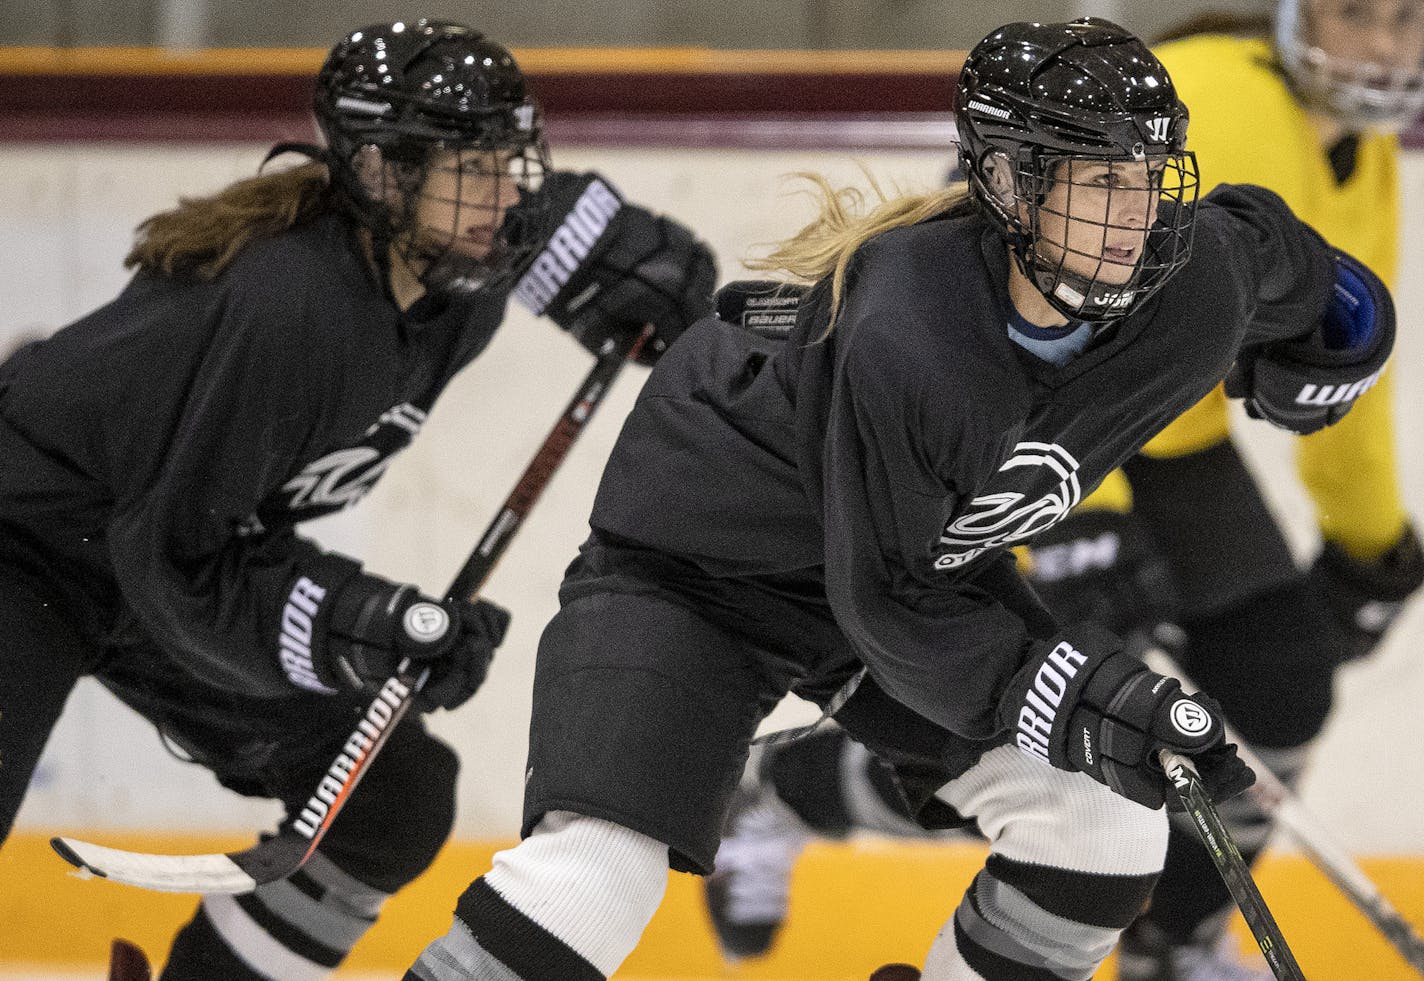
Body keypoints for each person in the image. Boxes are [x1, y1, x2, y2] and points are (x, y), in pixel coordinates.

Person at [403, 18, 1395, 981]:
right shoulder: (911, 334)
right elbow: (895, 602)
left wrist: (1344, 333)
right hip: (698, 582)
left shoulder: (1189, 277)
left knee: (1098, 828)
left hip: (897, 572)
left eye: (1146, 177)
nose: (1132, 214)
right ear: (1006, 182)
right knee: (594, 882)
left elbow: (1273, 249)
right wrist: (1092, 697)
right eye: (1099, 181)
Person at [703, 3, 1424, 979]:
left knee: (1279, 683)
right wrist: (1087, 522)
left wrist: (1369, 546)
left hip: (1172, 437)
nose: (1385, 47)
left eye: (1405, 19)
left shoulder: (1361, 153)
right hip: (1044, 427)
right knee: (1068, 739)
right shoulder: (1223, 97)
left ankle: (1170, 947)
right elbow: (1042, 295)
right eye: (1356, 15)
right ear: (1292, 14)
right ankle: (791, 789)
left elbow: (1328, 374)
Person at [0, 19, 714, 981]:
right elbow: (180, 561)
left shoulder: (460, 267)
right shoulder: (292, 306)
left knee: (391, 801)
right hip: (24, 540)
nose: (504, 194)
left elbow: (587, 240)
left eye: (513, 159)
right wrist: (359, 620)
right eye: (474, 166)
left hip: (147, 544)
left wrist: (648, 267)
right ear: (379, 173)